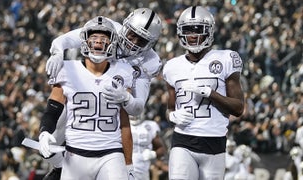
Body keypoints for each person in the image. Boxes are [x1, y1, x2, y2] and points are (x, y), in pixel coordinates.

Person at [42, 8, 163, 179]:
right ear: (125, 26)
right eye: (131, 34)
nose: (133, 42)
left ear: (150, 44)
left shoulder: (149, 62)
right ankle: (60, 167)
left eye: (141, 40)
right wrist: (57, 53)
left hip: (111, 101)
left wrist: (126, 98)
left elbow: (137, 108)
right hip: (85, 84)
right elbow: (64, 40)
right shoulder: (108, 29)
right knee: (50, 139)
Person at [162, 6, 244, 180]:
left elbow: (238, 108)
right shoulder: (172, 67)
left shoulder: (226, 58)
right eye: (188, 30)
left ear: (209, 31)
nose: (193, 35)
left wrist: (210, 93)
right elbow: (170, 108)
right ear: (180, 33)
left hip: (214, 142)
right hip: (182, 140)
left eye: (198, 29)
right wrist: (172, 116)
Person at [130, 114, 166, 180]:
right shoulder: (121, 124)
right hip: (125, 169)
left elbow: (162, 149)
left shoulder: (151, 125)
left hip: (143, 171)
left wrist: (153, 154)